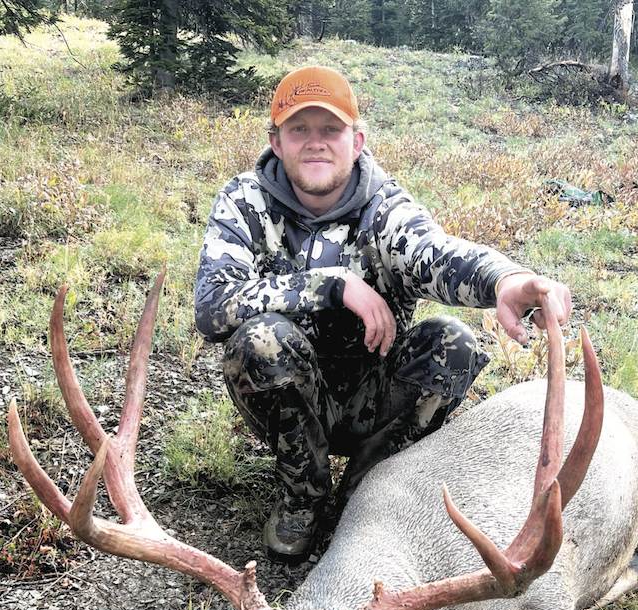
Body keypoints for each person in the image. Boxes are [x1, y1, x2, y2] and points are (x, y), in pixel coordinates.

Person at [195, 66, 572, 565]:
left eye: (330, 129)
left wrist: (505, 280)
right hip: (289, 398)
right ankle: (303, 495)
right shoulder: (244, 200)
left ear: (356, 141)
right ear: (276, 142)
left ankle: (366, 487)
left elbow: (435, 253)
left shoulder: (385, 207)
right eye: (299, 129)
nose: (315, 142)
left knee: (454, 343)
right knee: (261, 339)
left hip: (374, 393)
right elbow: (212, 307)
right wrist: (332, 286)